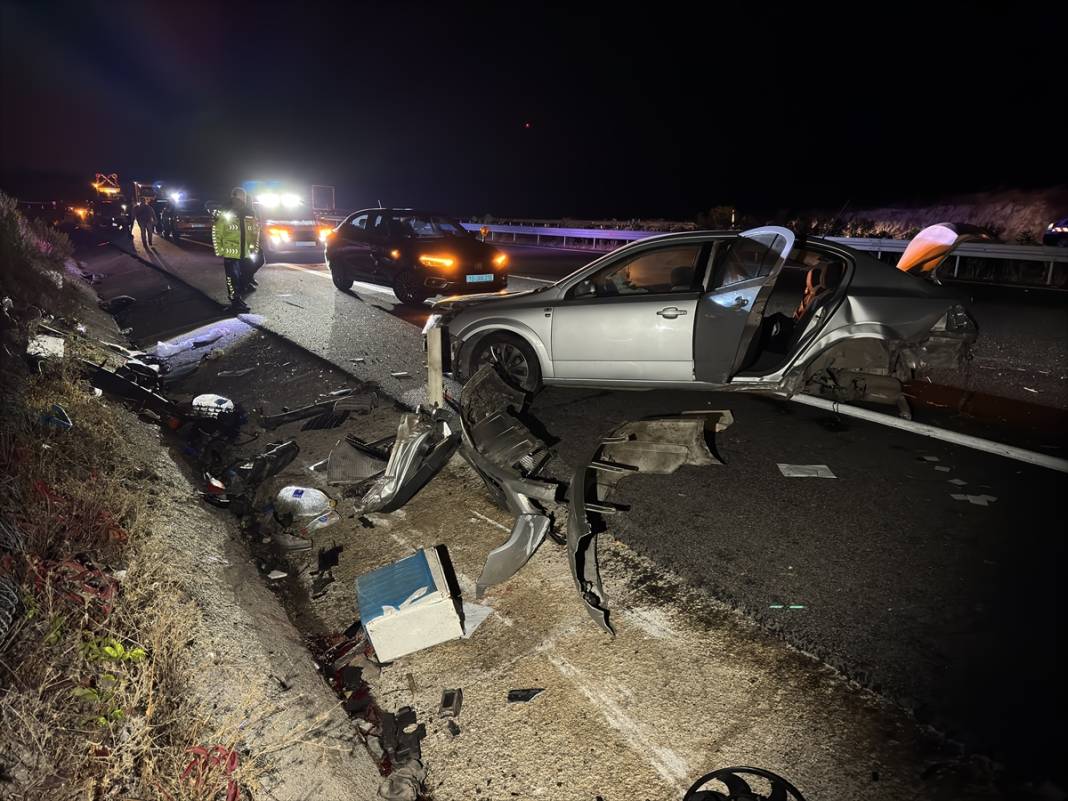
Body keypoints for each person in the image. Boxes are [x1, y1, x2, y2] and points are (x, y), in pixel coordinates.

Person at [211, 188, 260, 313]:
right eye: (235, 198)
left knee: (244, 273)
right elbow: (217, 231)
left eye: (238, 199)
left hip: (246, 251)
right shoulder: (224, 211)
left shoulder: (250, 212)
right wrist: (219, 249)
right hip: (230, 251)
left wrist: (255, 247)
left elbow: (255, 231)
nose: (236, 201)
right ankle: (235, 302)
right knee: (232, 278)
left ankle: (242, 290)